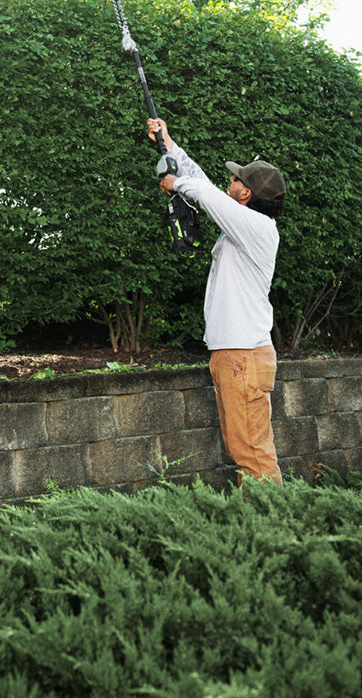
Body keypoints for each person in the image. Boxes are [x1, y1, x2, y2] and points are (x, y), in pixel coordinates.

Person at [147, 117, 287, 486]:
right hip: (235, 354)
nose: (230, 181)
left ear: (245, 194)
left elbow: (204, 194)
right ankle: (257, 524)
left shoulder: (256, 228)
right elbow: (208, 186)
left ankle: (275, 530)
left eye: (236, 179)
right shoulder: (242, 224)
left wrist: (175, 181)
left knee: (251, 452)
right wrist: (170, 145)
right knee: (243, 448)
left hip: (243, 356)